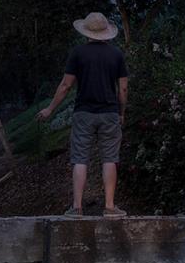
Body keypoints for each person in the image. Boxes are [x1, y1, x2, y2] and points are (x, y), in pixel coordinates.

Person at [35, 12, 129, 218]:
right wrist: (121, 112)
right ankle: (110, 207)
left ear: (86, 32)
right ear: (106, 33)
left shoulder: (78, 53)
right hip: (109, 113)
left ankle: (77, 208)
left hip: (83, 113)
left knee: (80, 159)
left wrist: (50, 109)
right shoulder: (116, 55)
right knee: (110, 159)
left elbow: (66, 85)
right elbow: (122, 89)